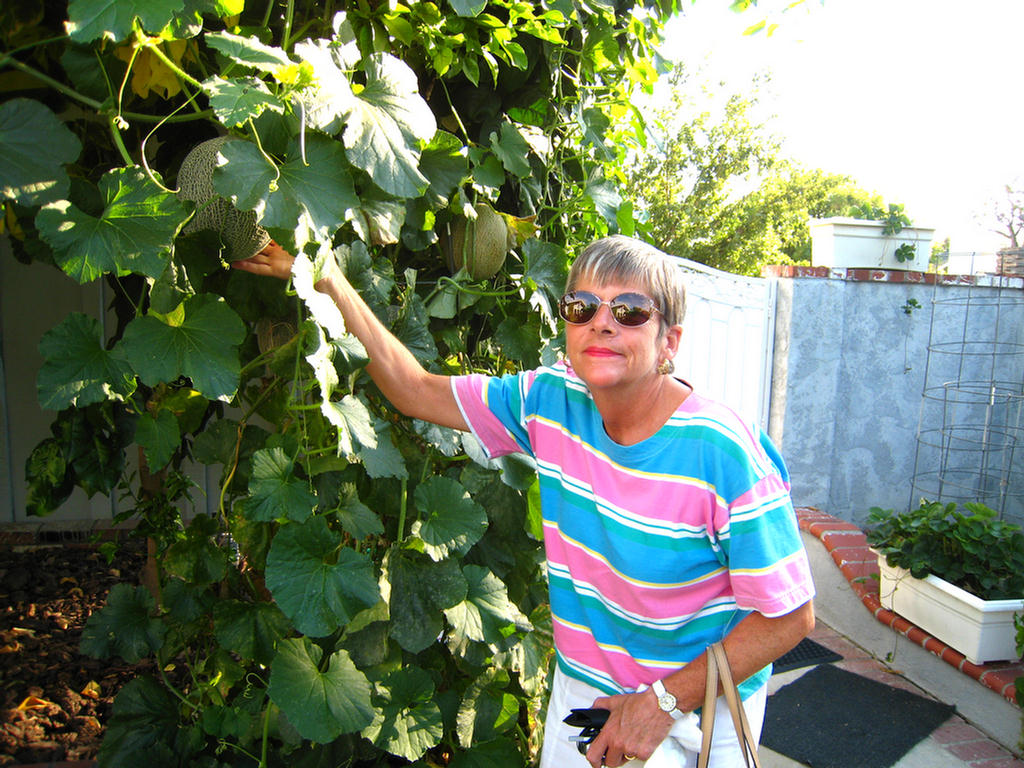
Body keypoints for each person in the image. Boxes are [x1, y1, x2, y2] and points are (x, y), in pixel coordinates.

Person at [233, 235, 815, 768]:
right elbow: (413, 390)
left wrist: (661, 703)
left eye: (630, 312)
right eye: (582, 308)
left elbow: (789, 617)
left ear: (670, 342)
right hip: (586, 686)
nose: (602, 324)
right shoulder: (548, 402)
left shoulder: (723, 452)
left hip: (692, 712)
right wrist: (328, 275)